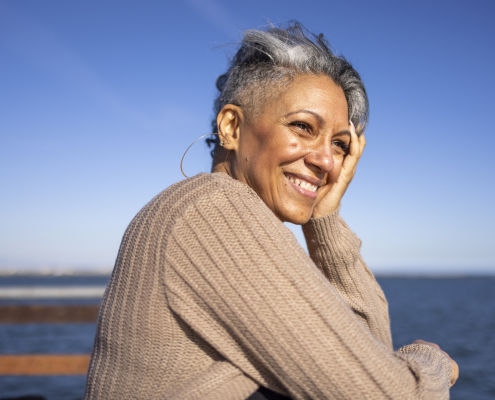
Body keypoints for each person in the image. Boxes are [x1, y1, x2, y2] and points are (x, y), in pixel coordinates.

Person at [83, 22, 458, 400]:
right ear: (231, 127)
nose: (327, 160)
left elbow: (368, 357)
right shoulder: (213, 211)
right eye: (302, 126)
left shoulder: (199, 207)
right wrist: (431, 360)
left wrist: (325, 219)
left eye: (340, 144)